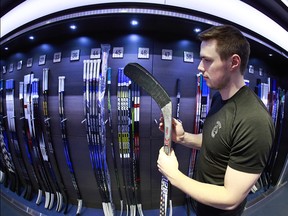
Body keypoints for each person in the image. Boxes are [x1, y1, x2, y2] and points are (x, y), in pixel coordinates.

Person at [157, 25, 275, 216]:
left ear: (233, 62)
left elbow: (230, 198)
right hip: (202, 205)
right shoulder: (218, 98)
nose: (199, 66)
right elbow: (214, 141)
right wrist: (183, 137)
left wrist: (173, 175)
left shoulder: (255, 121)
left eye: (207, 60)